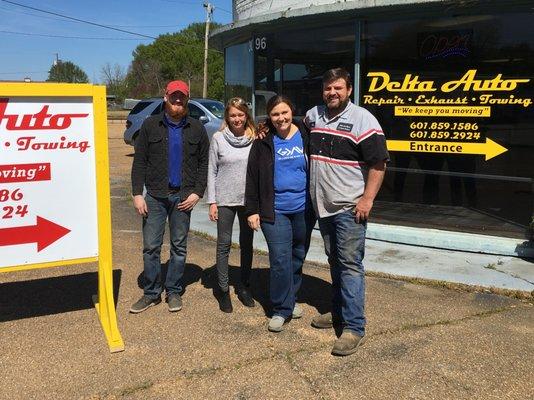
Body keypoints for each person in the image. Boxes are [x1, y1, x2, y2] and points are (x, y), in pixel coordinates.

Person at [306, 68, 389, 356]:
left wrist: (367, 199)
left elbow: (379, 164)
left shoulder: (363, 119)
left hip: (349, 208)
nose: (333, 93)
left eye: (338, 88)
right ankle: (339, 311)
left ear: (349, 90)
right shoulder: (313, 116)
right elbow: (291, 129)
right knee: (335, 262)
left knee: (351, 265)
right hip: (323, 207)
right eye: (328, 88)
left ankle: (354, 327)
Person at [130, 80, 209, 314]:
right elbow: (139, 162)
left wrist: (198, 192)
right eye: (173, 96)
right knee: (151, 247)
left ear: (187, 99)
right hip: (154, 196)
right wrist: (137, 194)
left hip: (183, 198)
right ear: (165, 97)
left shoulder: (196, 128)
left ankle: (173, 290)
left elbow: (204, 162)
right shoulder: (150, 125)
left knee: (179, 247)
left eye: (181, 97)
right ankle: (152, 292)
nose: (177, 100)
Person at [245, 95, 315, 332]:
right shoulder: (263, 140)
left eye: (284, 113)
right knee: (279, 259)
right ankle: (280, 308)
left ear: (291, 111)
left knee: (297, 256)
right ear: (269, 117)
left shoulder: (306, 134)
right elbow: (252, 177)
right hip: (274, 211)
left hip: (304, 209)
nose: (280, 118)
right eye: (275, 114)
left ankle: (290, 299)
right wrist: (252, 210)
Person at [206, 97, 256, 313]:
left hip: (248, 200)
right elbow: (212, 170)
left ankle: (244, 286)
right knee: (224, 244)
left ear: (246, 116)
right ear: (227, 117)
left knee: (247, 244)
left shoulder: (254, 138)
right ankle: (223, 289)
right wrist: (212, 201)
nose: (237, 119)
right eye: (233, 115)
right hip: (224, 199)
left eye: (240, 115)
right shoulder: (218, 138)